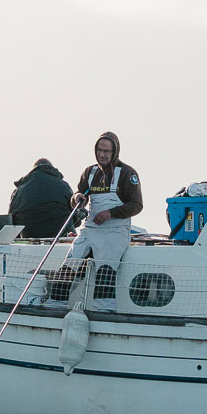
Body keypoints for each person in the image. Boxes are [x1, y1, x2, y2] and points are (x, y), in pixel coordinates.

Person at [62, 131, 142, 309]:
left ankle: (104, 309)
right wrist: (77, 198)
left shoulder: (127, 173)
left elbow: (136, 205)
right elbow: (77, 194)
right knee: (68, 267)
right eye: (99, 150)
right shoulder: (89, 172)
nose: (102, 154)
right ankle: (54, 304)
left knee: (105, 270)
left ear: (115, 152)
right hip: (89, 229)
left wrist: (110, 213)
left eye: (107, 151)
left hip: (115, 231)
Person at [5, 158, 74, 239]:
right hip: (62, 239)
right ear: (51, 168)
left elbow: (11, 222)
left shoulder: (18, 191)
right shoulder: (63, 186)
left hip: (29, 241)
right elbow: (76, 216)